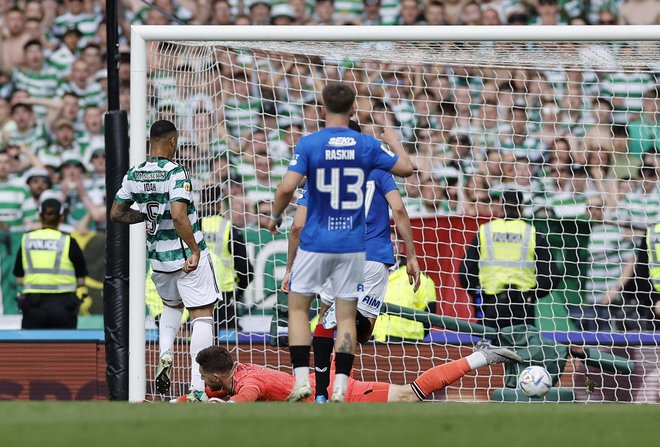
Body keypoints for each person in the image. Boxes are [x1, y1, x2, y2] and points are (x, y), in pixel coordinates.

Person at [267, 81, 414, 402]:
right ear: (352, 109)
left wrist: (275, 217)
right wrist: (392, 139)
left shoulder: (310, 144)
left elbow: (285, 191)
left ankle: (303, 381)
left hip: (317, 244)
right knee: (347, 317)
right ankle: (342, 387)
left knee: (299, 311)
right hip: (353, 246)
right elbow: (407, 170)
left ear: (322, 108)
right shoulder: (366, 147)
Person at [110, 120, 220, 402]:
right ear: (173, 142)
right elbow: (179, 215)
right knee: (202, 315)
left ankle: (166, 352)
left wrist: (146, 217)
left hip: (158, 260)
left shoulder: (134, 173)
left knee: (172, 306)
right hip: (184, 258)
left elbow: (117, 213)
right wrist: (194, 250)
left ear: (150, 141)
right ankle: (197, 388)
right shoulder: (175, 171)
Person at [196, 343, 522, 403]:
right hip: (320, 381)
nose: (202, 379)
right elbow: (221, 393)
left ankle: (482, 357)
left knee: (411, 395)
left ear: (215, 374)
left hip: (343, 393)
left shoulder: (249, 383)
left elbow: (240, 401)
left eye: (202, 375)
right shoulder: (239, 369)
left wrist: (211, 405)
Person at [459, 190, 556, 335]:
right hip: (523, 306)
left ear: (501, 207)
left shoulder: (485, 231)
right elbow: (551, 275)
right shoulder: (532, 232)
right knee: (524, 353)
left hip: (492, 305)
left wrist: (479, 295)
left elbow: (465, 272)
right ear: (521, 208)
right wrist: (533, 294)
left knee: (489, 354)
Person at [13, 198, 87, 329]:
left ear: (40, 216)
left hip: (33, 306)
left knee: (32, 348)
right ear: (61, 217)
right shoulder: (68, 240)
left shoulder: (27, 239)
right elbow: (81, 280)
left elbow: (19, 279)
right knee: (65, 348)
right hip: (63, 306)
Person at [198, 184, 253, 333]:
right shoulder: (228, 227)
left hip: (192, 294)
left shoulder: (189, 226)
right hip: (222, 297)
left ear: (200, 201)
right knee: (223, 345)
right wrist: (238, 292)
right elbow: (246, 271)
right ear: (219, 203)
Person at [371, 234, 437, 342]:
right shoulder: (366, 275)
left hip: (407, 343)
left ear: (401, 247)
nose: (388, 248)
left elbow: (429, 316)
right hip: (370, 342)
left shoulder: (420, 278)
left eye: (392, 244)